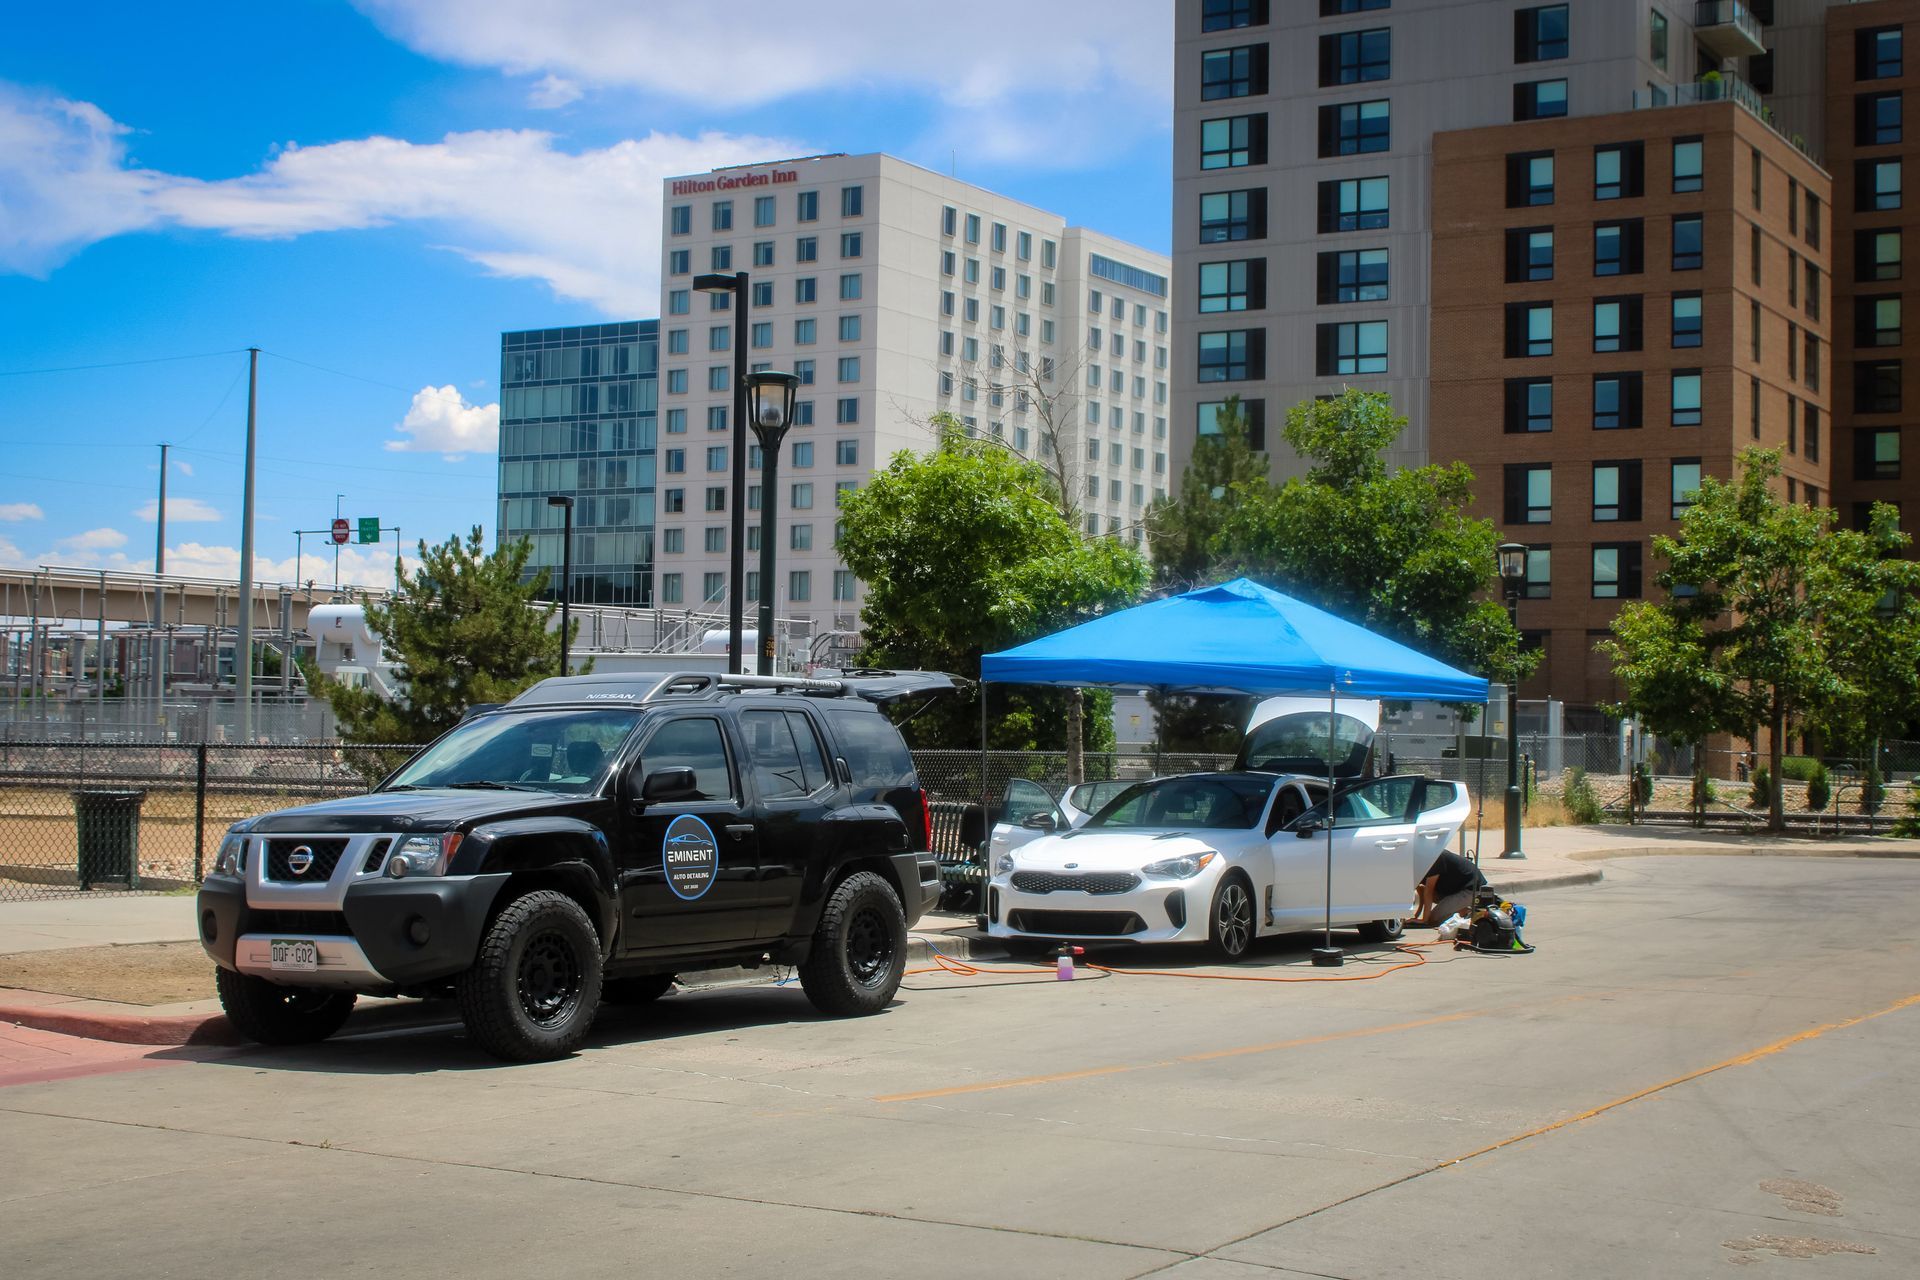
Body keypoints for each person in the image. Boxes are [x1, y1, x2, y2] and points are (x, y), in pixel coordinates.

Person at [1413, 849, 1489, 927]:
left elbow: (1428, 892)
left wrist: (1424, 920)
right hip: (1455, 889)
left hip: (1471, 889)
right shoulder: (1417, 863)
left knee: (1433, 919)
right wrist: (1416, 916)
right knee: (1426, 893)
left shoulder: (1434, 857)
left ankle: (1470, 912)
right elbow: (1421, 891)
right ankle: (1461, 909)